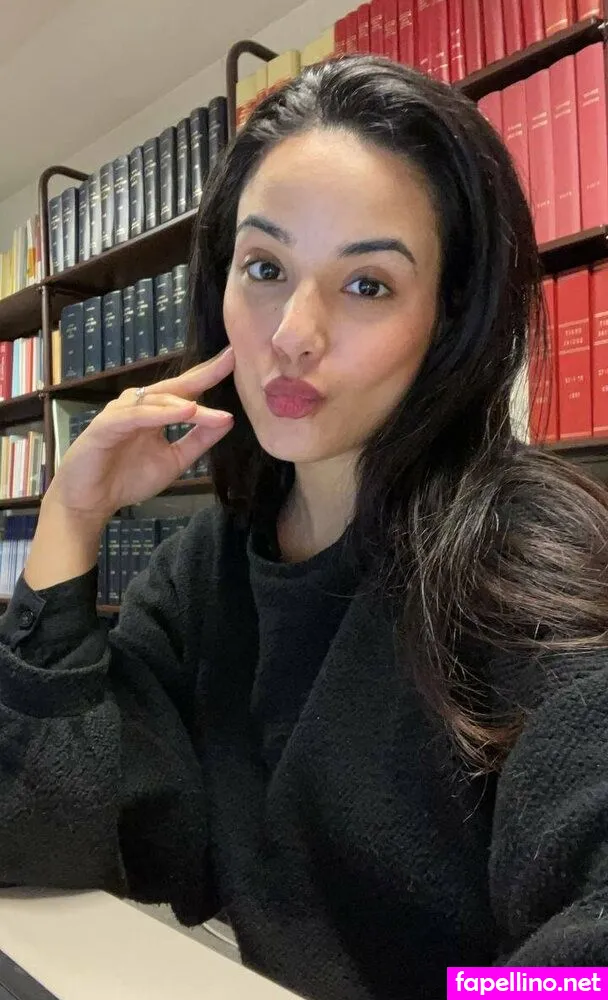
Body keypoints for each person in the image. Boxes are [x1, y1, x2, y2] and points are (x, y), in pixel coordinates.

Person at [1, 53, 608, 1000]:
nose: (292, 333)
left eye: (367, 285)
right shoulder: (203, 574)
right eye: (265, 268)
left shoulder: (533, 559)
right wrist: (69, 523)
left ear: (447, 319)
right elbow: (42, 836)